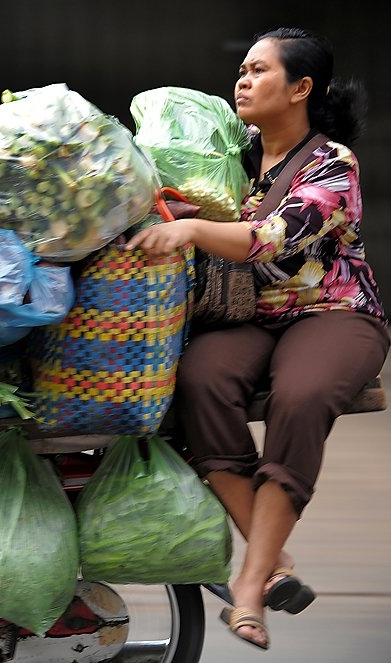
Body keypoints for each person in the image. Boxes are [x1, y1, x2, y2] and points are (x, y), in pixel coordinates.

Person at [127, 27, 389, 651]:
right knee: (196, 381)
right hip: (246, 317)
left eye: (259, 71)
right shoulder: (227, 152)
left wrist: (191, 230)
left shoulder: (333, 164)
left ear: (302, 89)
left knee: (301, 396)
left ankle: (251, 583)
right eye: (241, 70)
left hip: (333, 314)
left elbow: (269, 240)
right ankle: (272, 562)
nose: (242, 81)